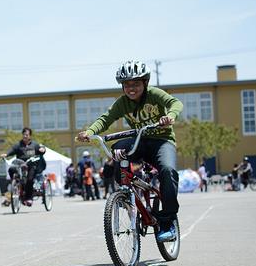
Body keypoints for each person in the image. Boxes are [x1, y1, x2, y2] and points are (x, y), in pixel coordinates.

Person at [76, 60, 183, 243]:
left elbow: (175, 103)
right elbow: (105, 119)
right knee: (117, 149)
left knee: (167, 171)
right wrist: (90, 132)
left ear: (145, 83)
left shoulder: (154, 94)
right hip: (139, 141)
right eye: (127, 85)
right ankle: (126, 196)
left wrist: (170, 116)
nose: (131, 89)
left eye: (136, 84)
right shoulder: (122, 103)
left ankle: (168, 222)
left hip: (162, 142)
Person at [1, 127, 46, 206]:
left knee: (30, 179)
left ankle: (29, 198)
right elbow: (12, 150)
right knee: (11, 169)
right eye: (24, 134)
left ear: (30, 136)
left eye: (27, 135)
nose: (25, 136)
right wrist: (6, 154)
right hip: (20, 165)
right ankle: (16, 185)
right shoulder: (18, 145)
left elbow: (42, 149)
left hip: (32, 165)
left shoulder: (34, 144)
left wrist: (43, 150)